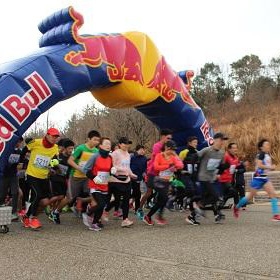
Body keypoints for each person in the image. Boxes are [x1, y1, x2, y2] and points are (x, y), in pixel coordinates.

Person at [21, 128, 60, 229]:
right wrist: (21, 161)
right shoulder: (36, 142)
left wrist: (54, 163)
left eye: (56, 137)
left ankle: (26, 216)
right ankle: (33, 218)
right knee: (37, 194)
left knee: (40, 199)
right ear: (47, 135)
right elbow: (24, 150)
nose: (54, 138)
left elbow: (55, 159)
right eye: (53, 136)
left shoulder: (55, 147)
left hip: (43, 177)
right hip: (31, 174)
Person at [235, 139, 280, 221]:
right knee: (249, 197)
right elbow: (259, 165)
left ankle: (276, 215)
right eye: (266, 144)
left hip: (265, 178)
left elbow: (264, 167)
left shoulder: (266, 155)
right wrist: (270, 167)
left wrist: (270, 169)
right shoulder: (261, 154)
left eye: (268, 144)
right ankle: (237, 207)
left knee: (273, 194)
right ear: (261, 147)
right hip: (258, 179)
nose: (268, 146)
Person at [143, 140, 183, 225]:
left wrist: (176, 157)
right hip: (159, 180)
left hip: (168, 181)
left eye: (174, 150)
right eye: (172, 149)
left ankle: (149, 216)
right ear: (166, 148)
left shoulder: (173, 156)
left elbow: (180, 165)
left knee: (162, 201)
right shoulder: (159, 156)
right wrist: (168, 166)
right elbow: (156, 167)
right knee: (164, 199)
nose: (173, 151)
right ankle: (158, 216)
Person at [137, 129, 172, 220]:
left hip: (162, 174)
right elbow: (159, 159)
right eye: (168, 138)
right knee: (149, 192)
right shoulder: (157, 146)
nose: (169, 140)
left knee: (163, 194)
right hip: (153, 173)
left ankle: (157, 211)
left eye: (170, 138)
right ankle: (140, 209)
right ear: (163, 137)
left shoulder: (169, 147)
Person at [104, 137, 137, 227]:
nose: (126, 145)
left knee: (126, 200)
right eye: (124, 143)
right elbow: (112, 166)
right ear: (120, 144)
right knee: (117, 200)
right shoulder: (115, 153)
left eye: (127, 144)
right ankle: (105, 211)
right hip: (116, 180)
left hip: (126, 180)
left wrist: (132, 174)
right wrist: (123, 169)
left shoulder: (127, 154)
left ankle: (125, 220)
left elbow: (128, 167)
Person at [67, 130, 100, 214]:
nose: (96, 142)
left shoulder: (96, 151)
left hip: (87, 178)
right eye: (94, 139)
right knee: (73, 198)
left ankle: (84, 211)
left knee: (89, 195)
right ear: (88, 139)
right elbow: (70, 161)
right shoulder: (81, 148)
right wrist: (80, 168)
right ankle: (73, 207)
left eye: (98, 140)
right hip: (76, 176)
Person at [82, 138, 113, 231]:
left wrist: (112, 171)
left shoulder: (110, 157)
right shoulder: (95, 156)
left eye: (109, 144)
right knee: (101, 204)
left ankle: (94, 223)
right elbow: (86, 170)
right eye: (106, 143)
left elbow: (109, 171)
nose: (108, 145)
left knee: (102, 205)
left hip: (105, 185)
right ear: (101, 146)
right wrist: (96, 179)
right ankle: (88, 213)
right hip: (95, 184)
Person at [197, 133, 228, 224]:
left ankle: (193, 216)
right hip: (203, 177)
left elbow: (220, 167)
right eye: (220, 140)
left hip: (212, 178)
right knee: (215, 196)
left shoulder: (222, 153)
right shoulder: (207, 150)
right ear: (214, 140)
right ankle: (199, 205)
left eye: (223, 140)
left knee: (211, 197)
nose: (222, 142)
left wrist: (223, 168)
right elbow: (196, 157)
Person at [49, 139, 75, 224]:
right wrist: (55, 168)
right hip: (55, 179)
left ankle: (52, 212)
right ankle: (45, 204)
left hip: (64, 180)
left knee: (61, 198)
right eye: (69, 148)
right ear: (64, 148)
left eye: (72, 148)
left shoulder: (71, 159)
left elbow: (70, 170)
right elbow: (50, 166)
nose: (71, 150)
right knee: (59, 197)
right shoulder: (57, 156)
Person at [179, 136, 201, 225]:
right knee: (191, 192)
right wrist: (181, 172)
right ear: (189, 143)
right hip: (186, 177)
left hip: (195, 177)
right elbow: (178, 164)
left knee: (197, 195)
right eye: (194, 142)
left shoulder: (197, 152)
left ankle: (192, 214)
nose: (196, 144)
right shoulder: (184, 152)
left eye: (196, 142)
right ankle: (186, 201)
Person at [0, 137, 24, 221]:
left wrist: (19, 167)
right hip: (4, 175)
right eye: (17, 141)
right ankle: (1, 208)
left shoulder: (19, 152)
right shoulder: (5, 149)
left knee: (15, 193)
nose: (18, 143)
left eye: (20, 142)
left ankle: (14, 213)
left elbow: (20, 164)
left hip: (13, 175)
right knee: (2, 193)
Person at [219, 143, 240, 212]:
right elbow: (220, 165)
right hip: (222, 180)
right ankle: (236, 207)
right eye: (233, 148)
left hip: (230, 180)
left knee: (230, 193)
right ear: (229, 149)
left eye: (236, 148)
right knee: (234, 192)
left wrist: (242, 165)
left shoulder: (236, 158)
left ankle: (220, 207)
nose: (235, 149)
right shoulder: (226, 156)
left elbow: (236, 167)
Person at [130, 145, 147, 214]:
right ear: (137, 150)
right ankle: (137, 209)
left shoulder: (144, 158)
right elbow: (129, 167)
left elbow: (145, 167)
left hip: (139, 178)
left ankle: (126, 203)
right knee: (138, 194)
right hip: (132, 177)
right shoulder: (133, 157)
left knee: (134, 193)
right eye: (141, 149)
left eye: (143, 149)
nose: (142, 151)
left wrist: (144, 172)